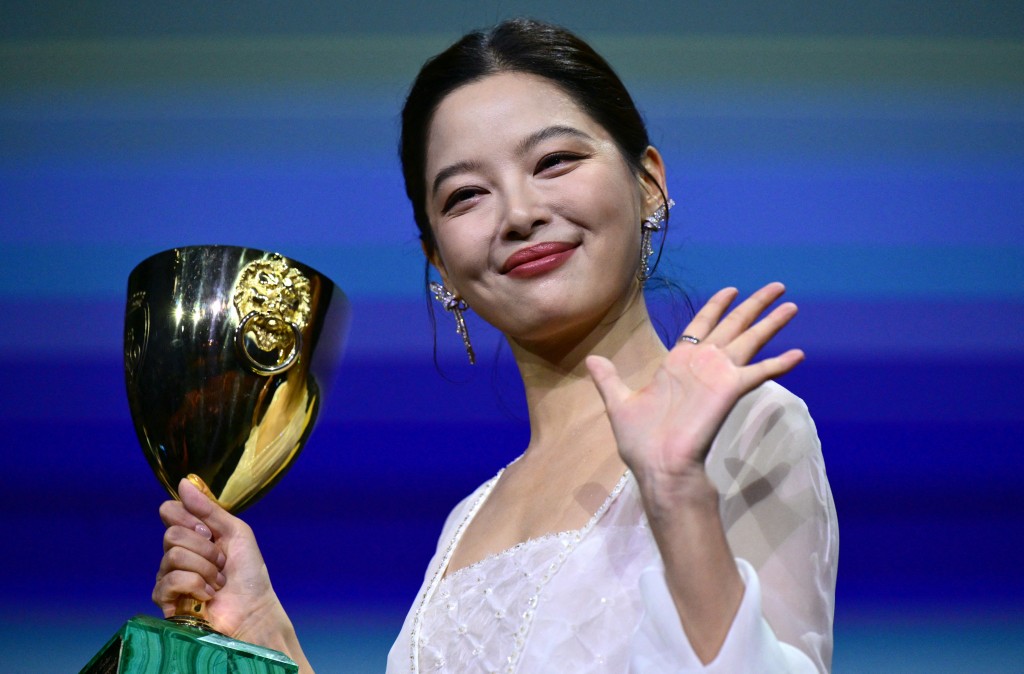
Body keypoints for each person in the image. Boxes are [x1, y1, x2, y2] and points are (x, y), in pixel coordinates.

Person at [153, 18, 838, 673]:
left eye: (555, 160)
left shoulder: (749, 429)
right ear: (440, 263)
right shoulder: (467, 521)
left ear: (648, 183)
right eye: (465, 196)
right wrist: (268, 637)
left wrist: (674, 489)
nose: (519, 213)